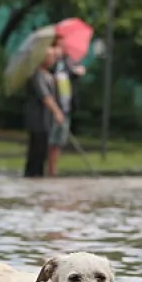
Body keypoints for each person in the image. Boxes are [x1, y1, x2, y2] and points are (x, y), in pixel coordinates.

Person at [48, 36, 86, 177]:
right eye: (59, 45)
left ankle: (54, 167)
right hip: (53, 106)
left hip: (66, 105)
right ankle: (50, 167)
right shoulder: (51, 63)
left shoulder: (69, 62)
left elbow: (75, 75)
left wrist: (77, 72)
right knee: (51, 138)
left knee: (60, 140)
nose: (62, 48)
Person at [23, 47, 63, 178]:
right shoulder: (37, 75)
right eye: (50, 56)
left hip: (46, 120)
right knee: (36, 151)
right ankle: (32, 175)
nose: (53, 59)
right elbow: (45, 96)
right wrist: (57, 111)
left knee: (43, 150)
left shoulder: (49, 75)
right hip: (37, 119)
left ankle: (39, 175)